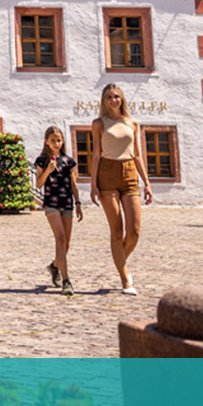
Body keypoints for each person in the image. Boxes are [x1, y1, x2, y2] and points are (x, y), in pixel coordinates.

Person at [90, 83, 153, 295]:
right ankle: (125, 279)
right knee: (117, 230)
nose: (113, 100)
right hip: (106, 173)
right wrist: (93, 185)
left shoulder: (132, 123)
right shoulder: (99, 123)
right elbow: (96, 155)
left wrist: (147, 183)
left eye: (116, 96)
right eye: (109, 97)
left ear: (122, 99)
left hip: (129, 173)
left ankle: (120, 260)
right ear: (104, 100)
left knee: (134, 231)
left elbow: (138, 155)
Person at [34, 126, 82, 296]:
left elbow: (73, 184)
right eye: (53, 140)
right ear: (46, 141)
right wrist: (48, 170)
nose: (56, 143)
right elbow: (38, 184)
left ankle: (54, 266)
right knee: (60, 238)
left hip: (67, 202)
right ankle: (66, 281)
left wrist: (78, 202)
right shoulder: (42, 161)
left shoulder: (69, 161)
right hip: (51, 204)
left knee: (66, 244)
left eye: (59, 140)